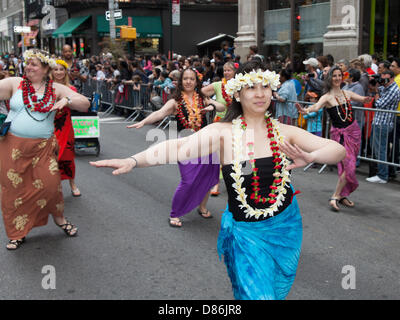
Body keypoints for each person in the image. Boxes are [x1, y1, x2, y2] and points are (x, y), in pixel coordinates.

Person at [90, 60, 346, 300]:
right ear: (237, 94)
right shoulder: (222, 133)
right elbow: (178, 147)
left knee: (276, 290)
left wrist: (311, 155)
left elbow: (337, 150)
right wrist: (134, 160)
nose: (260, 94)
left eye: (264, 87)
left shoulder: (285, 132)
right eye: (251, 88)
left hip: (285, 227)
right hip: (246, 237)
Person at [0, 49, 90, 250]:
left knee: (50, 186)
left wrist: (66, 100)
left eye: (34, 64)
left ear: (45, 69)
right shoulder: (15, 83)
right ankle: (16, 233)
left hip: (42, 147)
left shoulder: (56, 88)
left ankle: (59, 219)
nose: (28, 67)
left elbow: (85, 104)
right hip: (12, 147)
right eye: (27, 63)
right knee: (13, 190)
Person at [126, 68, 226, 227]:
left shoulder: (202, 98)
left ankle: (202, 207)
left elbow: (221, 107)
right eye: (185, 78)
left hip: (207, 142)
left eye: (191, 79)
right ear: (181, 82)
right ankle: (175, 213)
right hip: (186, 144)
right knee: (188, 180)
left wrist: (212, 106)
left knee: (209, 176)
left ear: (196, 82)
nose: (188, 81)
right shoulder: (175, 102)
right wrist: (144, 122)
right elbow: (159, 114)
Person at [296, 66, 371, 211]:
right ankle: (335, 196)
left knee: (348, 166)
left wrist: (369, 98)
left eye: (339, 75)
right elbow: (316, 107)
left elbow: (362, 99)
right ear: (330, 78)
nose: (337, 78)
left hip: (354, 133)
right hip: (341, 136)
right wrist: (305, 110)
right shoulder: (327, 97)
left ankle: (342, 195)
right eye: (334, 76)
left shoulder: (347, 93)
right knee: (348, 165)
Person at [202, 61, 238, 196]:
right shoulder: (218, 85)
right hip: (219, 123)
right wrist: (211, 102)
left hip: (235, 124)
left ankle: (235, 183)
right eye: (225, 70)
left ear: (235, 72)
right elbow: (201, 92)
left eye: (229, 70)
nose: (226, 73)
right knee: (217, 155)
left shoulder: (239, 86)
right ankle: (215, 184)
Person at [51, 59, 83, 197]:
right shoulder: (46, 88)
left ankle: (72, 183)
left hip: (66, 126)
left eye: (61, 69)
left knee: (67, 156)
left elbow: (80, 104)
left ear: (65, 72)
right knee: (50, 157)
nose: (58, 72)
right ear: (51, 71)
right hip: (49, 126)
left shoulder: (72, 89)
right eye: (55, 69)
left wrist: (67, 99)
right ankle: (52, 185)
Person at [366, 70, 400, 183]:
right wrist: (375, 83)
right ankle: (381, 173)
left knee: (381, 150)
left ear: (391, 78)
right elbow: (375, 89)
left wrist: (376, 93)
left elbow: (379, 104)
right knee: (376, 148)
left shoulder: (394, 90)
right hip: (378, 121)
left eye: (385, 78)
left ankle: (382, 175)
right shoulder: (386, 87)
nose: (383, 80)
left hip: (384, 123)